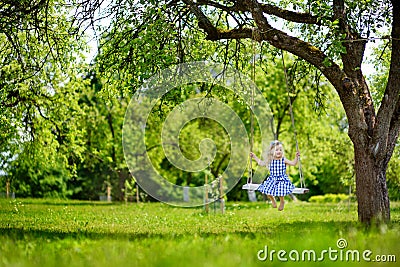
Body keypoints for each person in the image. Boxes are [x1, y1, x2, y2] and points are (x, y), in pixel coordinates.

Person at [249, 140, 300, 211]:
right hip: (272, 179)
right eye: (276, 150)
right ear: (271, 151)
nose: (279, 151)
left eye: (280, 150)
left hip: (282, 179)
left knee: (280, 189)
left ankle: (282, 201)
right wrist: (254, 157)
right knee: (266, 189)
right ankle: (273, 200)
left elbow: (293, 163)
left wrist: (296, 157)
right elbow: (261, 163)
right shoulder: (269, 160)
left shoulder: (283, 160)